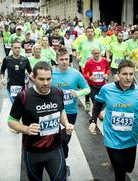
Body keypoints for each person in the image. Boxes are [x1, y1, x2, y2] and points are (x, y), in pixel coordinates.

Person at [7, 61, 74, 180]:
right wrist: (26, 129)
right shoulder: (24, 97)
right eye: (41, 79)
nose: (46, 83)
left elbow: (61, 110)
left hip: (54, 149)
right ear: (33, 78)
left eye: (49, 79)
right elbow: (11, 121)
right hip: (32, 152)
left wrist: (66, 123)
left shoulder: (57, 92)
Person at [90, 60, 138, 181]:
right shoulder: (107, 89)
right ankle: (117, 167)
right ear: (117, 74)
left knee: (129, 168)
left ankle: (119, 166)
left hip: (131, 138)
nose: (128, 77)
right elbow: (98, 104)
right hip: (112, 138)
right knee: (120, 172)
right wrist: (93, 121)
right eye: (124, 74)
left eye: (131, 74)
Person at [52, 47, 90, 176]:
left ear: (70, 59)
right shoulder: (51, 74)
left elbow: (87, 89)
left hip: (70, 112)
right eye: (61, 59)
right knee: (57, 139)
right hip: (54, 112)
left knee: (65, 139)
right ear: (57, 60)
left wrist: (77, 93)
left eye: (66, 59)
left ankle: (62, 160)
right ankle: (61, 163)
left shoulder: (75, 74)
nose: (64, 62)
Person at [83, 47, 110, 133]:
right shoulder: (89, 63)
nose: (97, 55)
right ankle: (94, 119)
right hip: (92, 85)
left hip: (102, 85)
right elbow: (84, 73)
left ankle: (99, 112)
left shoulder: (104, 61)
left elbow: (108, 69)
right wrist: (89, 77)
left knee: (105, 101)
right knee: (95, 102)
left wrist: (106, 74)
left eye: (98, 53)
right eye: (95, 53)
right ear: (92, 54)